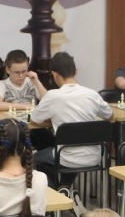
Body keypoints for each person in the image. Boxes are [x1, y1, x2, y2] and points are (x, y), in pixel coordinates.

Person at [29, 51, 113, 193]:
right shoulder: (92, 94)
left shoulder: (53, 96)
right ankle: (65, 187)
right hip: (95, 156)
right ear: (76, 71)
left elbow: (34, 120)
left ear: (54, 74)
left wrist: (53, 122)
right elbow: (110, 116)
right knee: (69, 150)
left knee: (34, 159)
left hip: (66, 157)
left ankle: (57, 193)